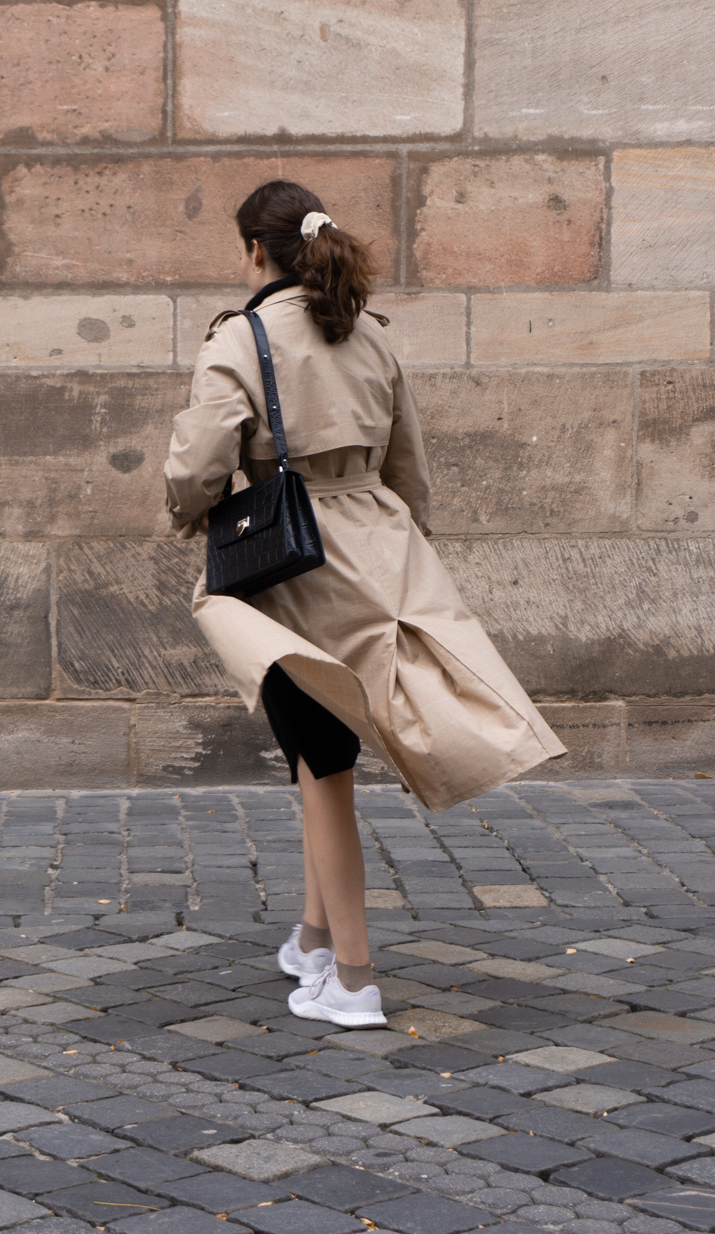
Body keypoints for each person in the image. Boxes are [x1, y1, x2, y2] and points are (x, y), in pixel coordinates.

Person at [163, 180, 566, 1028]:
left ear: (253, 252)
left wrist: (186, 511)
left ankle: (352, 979)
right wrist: (396, 546)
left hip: (291, 562)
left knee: (323, 769)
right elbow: (408, 465)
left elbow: (198, 465)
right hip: (380, 550)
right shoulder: (365, 332)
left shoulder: (241, 338)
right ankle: (313, 939)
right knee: (322, 761)